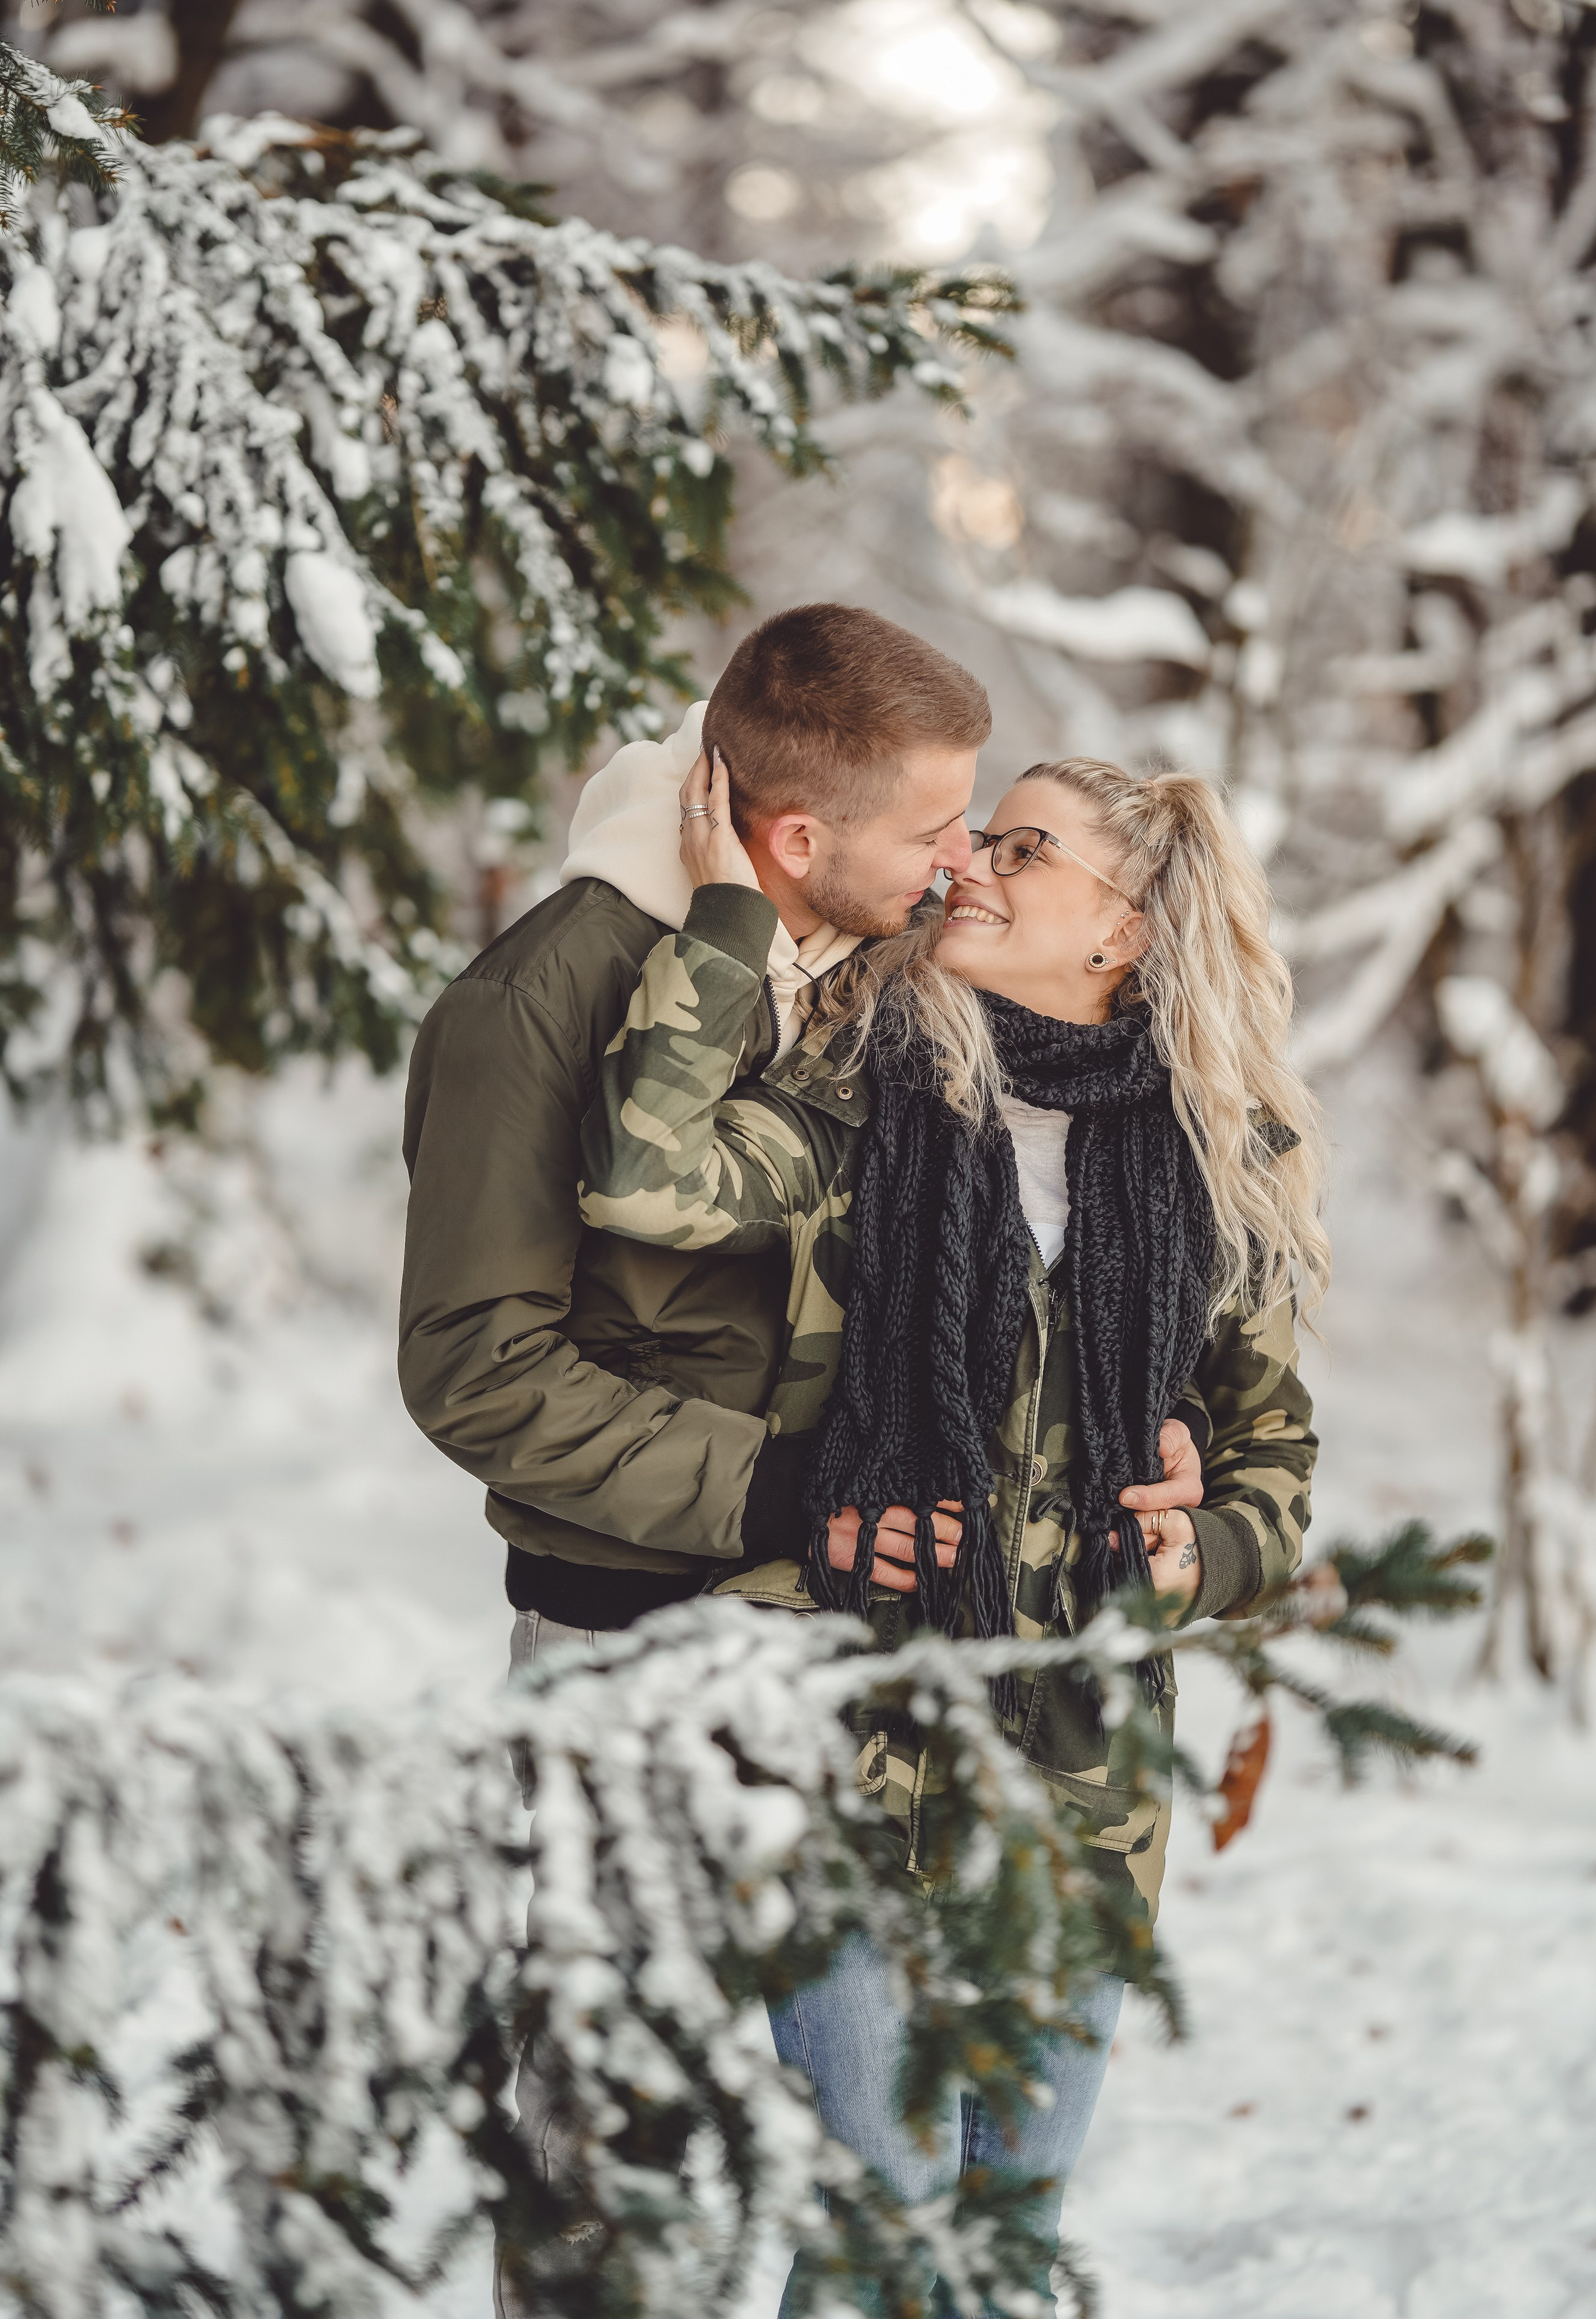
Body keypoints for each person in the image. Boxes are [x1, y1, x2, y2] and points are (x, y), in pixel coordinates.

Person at [398, 603, 1209, 2315]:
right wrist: (788, 1493)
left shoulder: (868, 978)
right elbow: (477, 1367)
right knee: (628, 2132)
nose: (954, 870)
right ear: (791, 836)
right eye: (935, 832)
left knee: (867, 2158)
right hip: (636, 1632)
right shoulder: (545, 998)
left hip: (853, 1656)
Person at [576, 744, 1326, 2314]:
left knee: (1003, 2230)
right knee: (880, 2212)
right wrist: (725, 918)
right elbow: (644, 1182)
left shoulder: (1210, 1165)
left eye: (1023, 847)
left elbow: (1272, 1455)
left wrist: (1210, 1545)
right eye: (974, 835)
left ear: (1119, 932)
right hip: (842, 1746)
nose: (966, 862)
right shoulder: (863, 1091)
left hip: (1078, 1783)